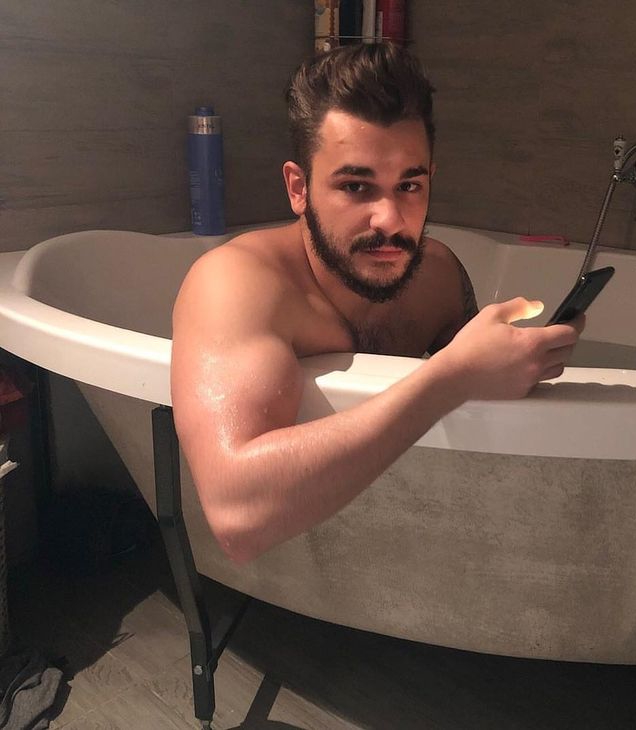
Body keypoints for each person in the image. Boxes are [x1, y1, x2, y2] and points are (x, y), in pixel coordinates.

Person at [171, 43, 584, 563]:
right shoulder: (236, 284)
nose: (390, 218)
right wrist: (452, 378)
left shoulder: (437, 274)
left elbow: (476, 431)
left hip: (426, 548)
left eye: (409, 185)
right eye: (356, 186)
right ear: (298, 188)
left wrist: (517, 362)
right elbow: (237, 515)